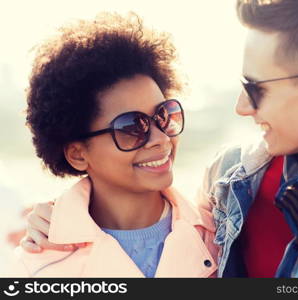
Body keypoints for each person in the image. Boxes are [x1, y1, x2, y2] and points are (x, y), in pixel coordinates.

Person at [22, 0, 298, 278]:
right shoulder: (232, 184)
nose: (242, 107)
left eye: (256, 87)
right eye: (132, 127)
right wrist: (63, 218)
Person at [10, 12, 218, 278]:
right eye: (132, 127)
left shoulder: (221, 236)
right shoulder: (34, 268)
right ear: (77, 154)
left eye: (162, 116)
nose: (161, 138)